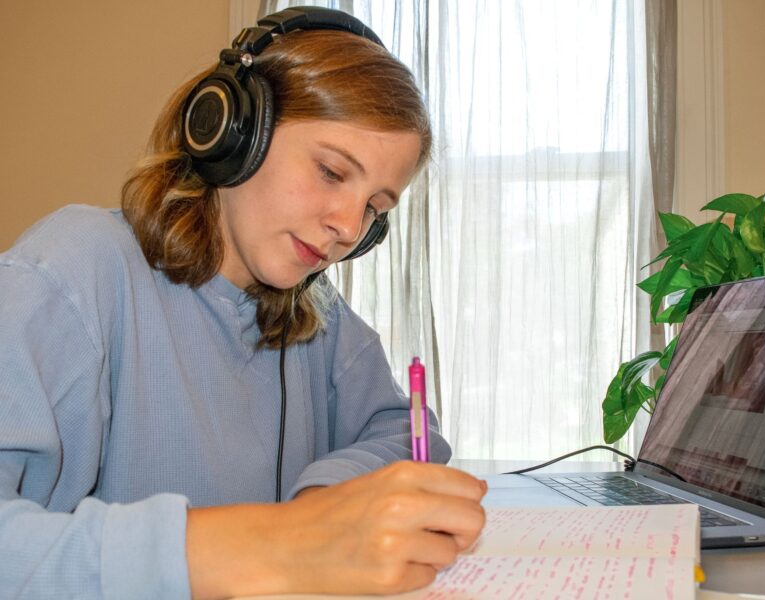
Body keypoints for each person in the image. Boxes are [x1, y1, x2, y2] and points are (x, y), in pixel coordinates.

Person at [0, 7, 486, 600]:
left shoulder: (317, 316)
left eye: (375, 209)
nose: (346, 226)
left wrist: (325, 502)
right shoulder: (76, 266)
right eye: (332, 172)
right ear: (231, 131)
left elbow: (402, 429)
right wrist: (285, 540)